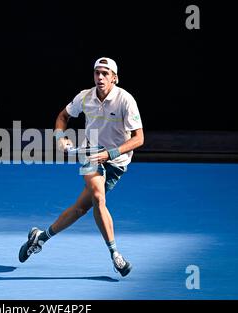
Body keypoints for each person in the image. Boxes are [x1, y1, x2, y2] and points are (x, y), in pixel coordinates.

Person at [18, 57, 144, 276]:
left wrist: (110, 154)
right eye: (97, 73)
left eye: (106, 73)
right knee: (99, 197)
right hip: (89, 154)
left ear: (115, 78)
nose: (100, 77)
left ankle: (40, 237)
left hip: (117, 162)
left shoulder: (126, 100)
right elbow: (63, 116)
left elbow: (139, 138)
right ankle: (115, 255)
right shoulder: (84, 97)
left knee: (80, 209)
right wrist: (60, 138)